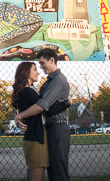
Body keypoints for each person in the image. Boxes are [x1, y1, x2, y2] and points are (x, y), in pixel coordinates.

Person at [16, 48, 72, 181]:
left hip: (57, 128)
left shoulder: (58, 80)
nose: (40, 67)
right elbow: (35, 106)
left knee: (58, 172)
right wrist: (19, 117)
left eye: (42, 63)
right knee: (52, 171)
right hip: (48, 129)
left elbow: (43, 106)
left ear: (52, 60)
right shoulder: (47, 83)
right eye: (38, 65)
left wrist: (20, 116)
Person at [11, 62, 48, 181]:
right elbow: (44, 106)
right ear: (26, 72)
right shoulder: (27, 91)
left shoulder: (29, 90)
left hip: (34, 138)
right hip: (35, 139)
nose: (38, 72)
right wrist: (67, 102)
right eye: (34, 70)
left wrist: (18, 117)